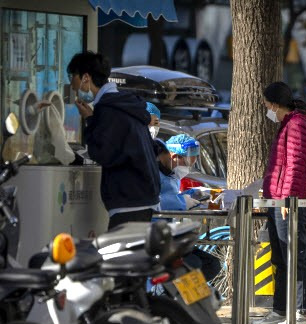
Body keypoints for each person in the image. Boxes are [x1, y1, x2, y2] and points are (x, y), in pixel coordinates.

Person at [251, 82, 306, 324]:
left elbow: (294, 165)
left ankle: (303, 312)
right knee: (282, 257)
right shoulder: (288, 124)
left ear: (274, 104)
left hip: (289, 202)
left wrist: (287, 198)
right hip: (278, 200)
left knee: (297, 255)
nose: (266, 110)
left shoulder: (296, 125)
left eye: (266, 105)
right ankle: (280, 310)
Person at [67, 51, 160, 230]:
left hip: (129, 201)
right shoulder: (122, 104)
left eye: (73, 77)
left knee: (120, 257)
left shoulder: (108, 110)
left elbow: (101, 153)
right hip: (142, 197)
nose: (72, 85)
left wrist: (90, 120)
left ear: (86, 77)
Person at [153, 135, 221, 282]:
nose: (188, 168)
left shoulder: (171, 176)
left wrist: (194, 194)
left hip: (168, 235)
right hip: (152, 235)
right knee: (192, 264)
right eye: (186, 162)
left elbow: (171, 195)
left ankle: (185, 300)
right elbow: (153, 201)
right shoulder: (153, 173)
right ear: (173, 156)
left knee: (212, 265)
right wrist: (181, 202)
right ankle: (166, 297)